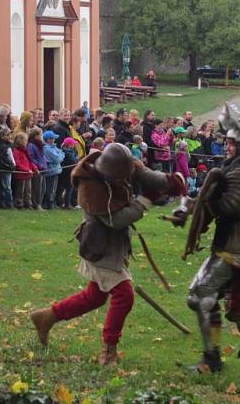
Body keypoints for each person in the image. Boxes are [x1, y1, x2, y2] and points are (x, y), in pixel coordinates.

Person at [29, 143, 184, 365]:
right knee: (124, 295)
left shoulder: (120, 163)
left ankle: (47, 317)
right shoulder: (90, 186)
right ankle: (108, 351)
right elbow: (116, 220)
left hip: (114, 244)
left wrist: (170, 181)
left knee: (95, 296)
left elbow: (146, 175)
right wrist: (147, 199)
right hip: (100, 246)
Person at [172, 103, 240, 372]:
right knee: (239, 302)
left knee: (200, 293)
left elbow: (227, 205)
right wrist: (188, 207)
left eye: (230, 143)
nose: (227, 147)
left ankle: (212, 358)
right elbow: (213, 196)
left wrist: (199, 207)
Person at [12, 131, 37, 209]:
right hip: (21, 175)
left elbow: (30, 162)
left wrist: (35, 168)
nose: (27, 142)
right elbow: (18, 165)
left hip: (28, 174)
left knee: (28, 191)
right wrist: (27, 170)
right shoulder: (16, 151)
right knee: (21, 191)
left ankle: (28, 204)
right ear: (20, 141)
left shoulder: (26, 151)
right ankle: (20, 204)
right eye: (25, 140)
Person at [42, 130, 65, 210]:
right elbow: (58, 159)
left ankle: (52, 203)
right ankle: (49, 203)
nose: (54, 140)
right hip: (51, 171)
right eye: (52, 139)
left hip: (55, 170)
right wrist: (61, 154)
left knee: (53, 188)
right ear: (48, 139)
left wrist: (60, 154)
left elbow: (61, 153)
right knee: (50, 189)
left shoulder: (53, 147)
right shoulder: (48, 149)